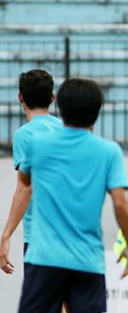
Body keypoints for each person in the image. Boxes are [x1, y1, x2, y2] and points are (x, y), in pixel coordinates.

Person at [5, 78, 128, 313]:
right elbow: (120, 203)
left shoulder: (37, 145)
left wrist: (6, 235)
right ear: (97, 111)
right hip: (87, 261)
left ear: (60, 108)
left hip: (44, 258)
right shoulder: (109, 151)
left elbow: (25, 186)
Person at [1, 69, 63, 271]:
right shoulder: (66, 128)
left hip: (40, 233)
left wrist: (7, 234)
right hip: (69, 229)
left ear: (21, 97)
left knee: (43, 300)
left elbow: (25, 188)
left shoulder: (24, 135)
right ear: (52, 98)